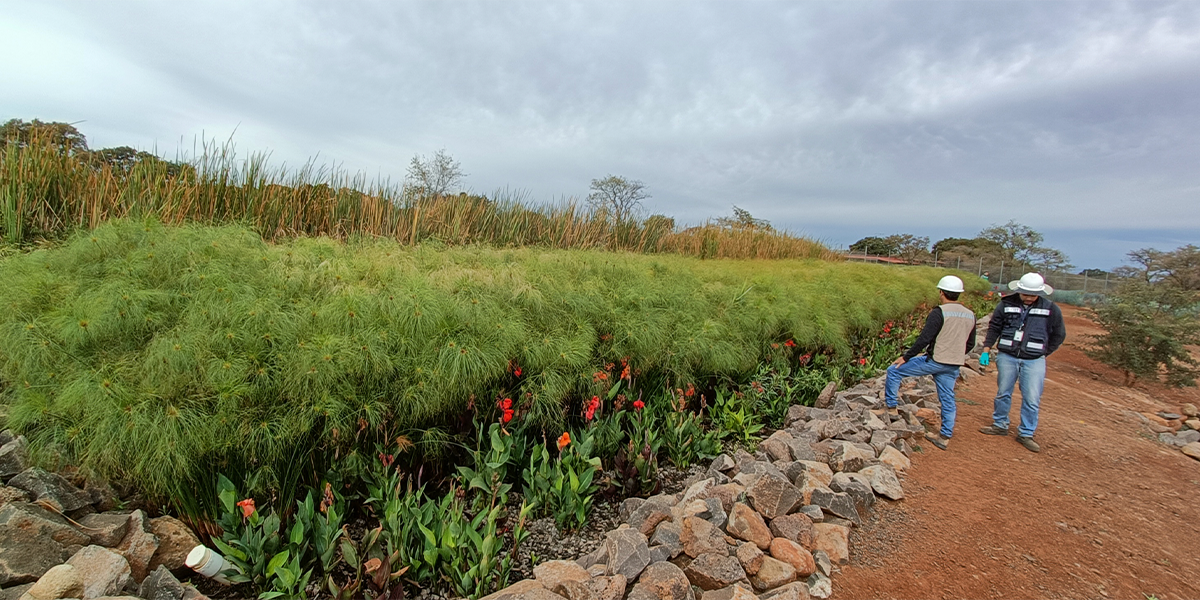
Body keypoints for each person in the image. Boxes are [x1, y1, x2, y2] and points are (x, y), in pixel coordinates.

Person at [884, 275, 977, 450]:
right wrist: (956, 354)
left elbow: (924, 339)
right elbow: (970, 343)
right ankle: (944, 436)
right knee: (948, 398)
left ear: (941, 292)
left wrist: (906, 357)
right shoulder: (970, 314)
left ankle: (891, 409)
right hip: (954, 363)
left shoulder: (939, 312)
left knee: (894, 371)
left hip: (935, 360)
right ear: (959, 294)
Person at [978, 272, 1067, 453]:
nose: (1028, 298)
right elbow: (995, 327)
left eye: (1032, 295)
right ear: (1019, 290)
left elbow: (1059, 334)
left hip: (1034, 359)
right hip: (1007, 356)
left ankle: (1026, 432)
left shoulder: (1050, 309)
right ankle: (1000, 424)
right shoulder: (1006, 304)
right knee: (1003, 392)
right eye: (1025, 294)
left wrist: (1043, 352)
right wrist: (986, 349)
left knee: (1032, 398)